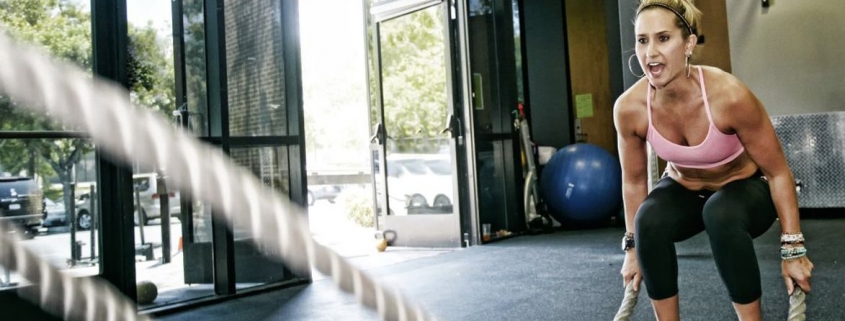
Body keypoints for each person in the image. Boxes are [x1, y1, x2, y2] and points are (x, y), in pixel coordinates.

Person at [612, 1, 814, 320]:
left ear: (689, 43)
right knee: (647, 219)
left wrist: (793, 249)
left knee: (720, 212)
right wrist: (633, 249)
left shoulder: (729, 96)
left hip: (746, 188)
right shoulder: (630, 108)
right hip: (685, 188)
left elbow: (777, 172)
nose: (650, 53)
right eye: (642, 40)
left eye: (663, 38)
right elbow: (634, 181)